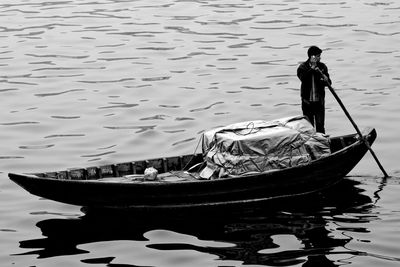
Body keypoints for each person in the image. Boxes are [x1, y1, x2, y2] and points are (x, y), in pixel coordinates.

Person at [297, 46, 331, 133]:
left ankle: (322, 144)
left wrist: (324, 78)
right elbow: (303, 79)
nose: (320, 57)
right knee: (309, 128)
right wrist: (312, 69)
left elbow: (329, 83)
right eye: (318, 56)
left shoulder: (322, 67)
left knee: (320, 126)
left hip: (319, 103)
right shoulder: (302, 67)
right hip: (307, 103)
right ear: (312, 57)